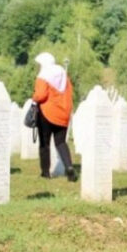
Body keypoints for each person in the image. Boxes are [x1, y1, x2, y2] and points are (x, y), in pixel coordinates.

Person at [32, 52, 77, 182]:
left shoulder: (43, 75)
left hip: (47, 112)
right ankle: (69, 167)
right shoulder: (63, 74)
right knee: (61, 142)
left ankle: (45, 172)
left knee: (44, 143)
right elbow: (69, 90)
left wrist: (34, 98)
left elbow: (41, 95)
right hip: (63, 113)